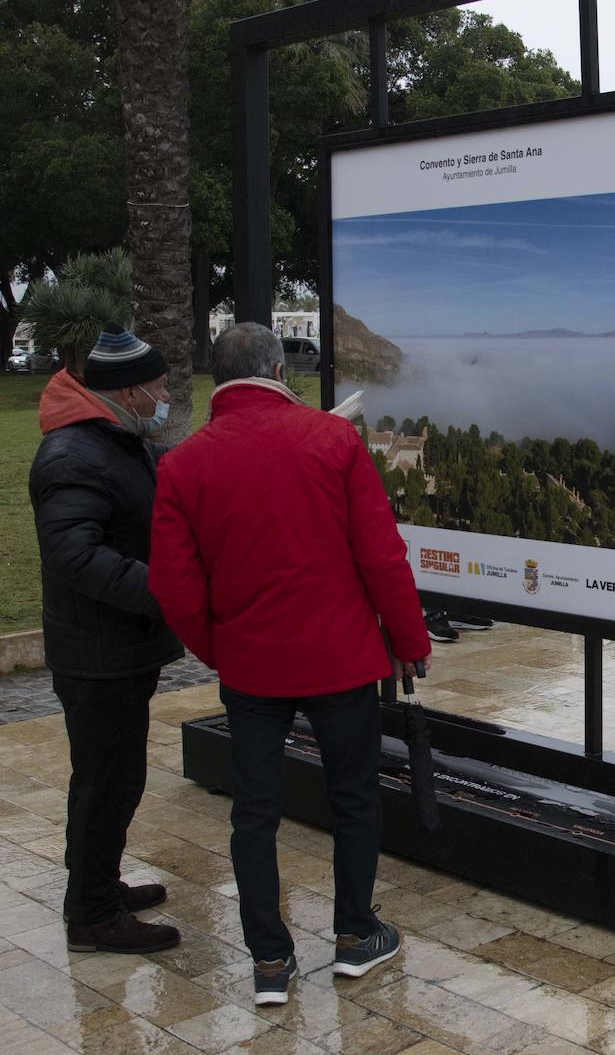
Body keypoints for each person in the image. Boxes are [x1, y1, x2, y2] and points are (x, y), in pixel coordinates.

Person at [149, 322, 431, 1005]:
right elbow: (379, 554)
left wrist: (220, 647)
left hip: (251, 668)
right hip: (339, 660)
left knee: (254, 812)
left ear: (218, 378)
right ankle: (355, 934)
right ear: (279, 369)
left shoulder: (183, 465)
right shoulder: (332, 441)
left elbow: (173, 585)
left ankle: (270, 962)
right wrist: (410, 640)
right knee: (353, 798)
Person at [29, 323, 183, 956]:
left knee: (117, 777)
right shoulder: (72, 455)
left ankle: (99, 886)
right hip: (98, 653)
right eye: (159, 387)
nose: (165, 397)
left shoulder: (116, 439)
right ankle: (92, 914)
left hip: (120, 646)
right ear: (129, 391)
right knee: (103, 780)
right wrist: (164, 590)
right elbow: (75, 555)